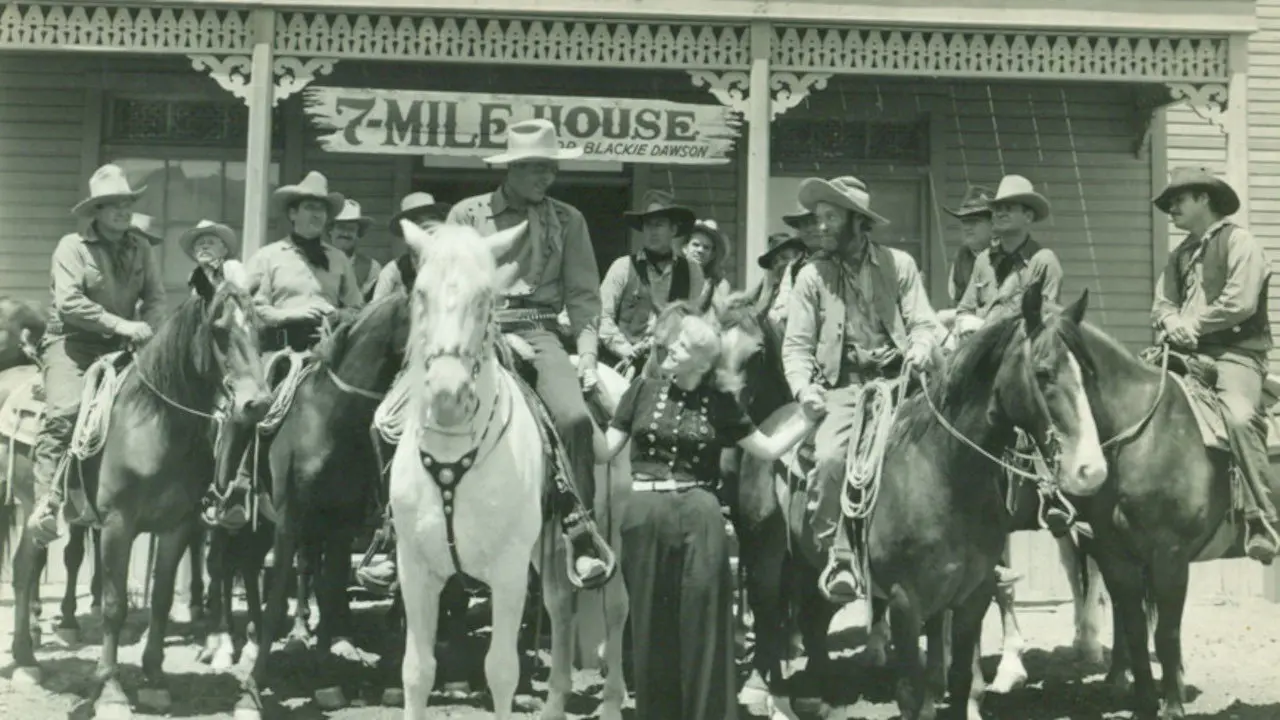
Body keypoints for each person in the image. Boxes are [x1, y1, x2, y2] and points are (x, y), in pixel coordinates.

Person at [595, 302, 813, 720]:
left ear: (698, 359)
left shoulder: (721, 402)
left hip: (700, 514)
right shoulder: (641, 391)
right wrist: (575, 418)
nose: (666, 350)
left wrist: (807, 419)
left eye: (677, 346)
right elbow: (606, 449)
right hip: (644, 512)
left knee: (701, 623)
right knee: (650, 624)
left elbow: (766, 449)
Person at [446, 118, 610, 586]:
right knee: (405, 412)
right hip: (471, 332)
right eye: (536, 168)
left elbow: (583, 295)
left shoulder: (568, 219)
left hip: (539, 332)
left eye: (551, 169)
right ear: (511, 168)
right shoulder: (467, 215)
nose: (546, 177)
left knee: (575, 420)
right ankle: (391, 527)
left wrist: (588, 356)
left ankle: (580, 531)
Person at [781, 175, 940, 602]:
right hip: (843, 388)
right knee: (832, 458)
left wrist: (923, 346)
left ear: (857, 221)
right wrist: (804, 390)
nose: (821, 226)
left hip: (902, 383)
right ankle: (839, 554)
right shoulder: (810, 276)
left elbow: (923, 321)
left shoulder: (898, 265)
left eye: (831, 217)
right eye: (818, 218)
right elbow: (795, 346)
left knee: (953, 447)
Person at [27, 164, 167, 546]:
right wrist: (122, 326)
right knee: (66, 413)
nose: (122, 211)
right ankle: (47, 503)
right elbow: (69, 303)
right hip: (72, 344)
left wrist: (151, 331)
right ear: (96, 212)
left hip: (123, 346)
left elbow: (154, 297)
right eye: (112, 205)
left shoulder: (140, 247)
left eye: (127, 203)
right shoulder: (72, 248)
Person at [1152, 167, 1278, 564]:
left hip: (1234, 355)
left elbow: (1240, 302)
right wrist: (1172, 322)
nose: (1171, 208)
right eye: (1170, 202)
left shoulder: (1240, 242)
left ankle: (1261, 519)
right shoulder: (1180, 254)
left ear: (1204, 198)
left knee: (1239, 418)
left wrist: (1193, 324)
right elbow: (1163, 303)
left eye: (1179, 200)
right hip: (1184, 354)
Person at [246, 171, 364, 353]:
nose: (318, 215)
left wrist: (337, 315)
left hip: (329, 353)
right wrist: (290, 314)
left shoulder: (338, 258)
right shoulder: (267, 257)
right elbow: (252, 309)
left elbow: (357, 309)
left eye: (322, 209)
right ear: (293, 213)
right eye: (310, 207)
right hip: (279, 352)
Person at [598, 189, 705, 370]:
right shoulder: (622, 267)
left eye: (659, 225)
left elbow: (695, 321)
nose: (652, 231)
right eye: (648, 225)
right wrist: (626, 351)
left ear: (673, 229)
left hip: (671, 364)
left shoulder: (692, 271)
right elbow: (602, 317)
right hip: (622, 363)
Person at [953, 175, 1063, 333]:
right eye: (997, 208)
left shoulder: (1043, 262)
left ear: (1028, 216)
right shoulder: (984, 260)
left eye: (1009, 208)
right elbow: (964, 310)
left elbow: (1045, 323)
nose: (1000, 213)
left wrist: (986, 328)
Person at [371, 191, 452, 302]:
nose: (425, 230)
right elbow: (376, 312)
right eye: (417, 224)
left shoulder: (453, 266)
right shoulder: (394, 270)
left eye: (431, 222)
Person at [329, 199, 382, 300]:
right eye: (341, 227)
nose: (345, 234)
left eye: (351, 229)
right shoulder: (315, 262)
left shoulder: (372, 267)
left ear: (358, 233)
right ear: (330, 230)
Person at [179, 220, 247, 297]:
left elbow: (244, 297)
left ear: (224, 250)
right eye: (200, 244)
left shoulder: (231, 267)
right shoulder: (194, 276)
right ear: (194, 253)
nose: (204, 247)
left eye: (211, 243)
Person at [683, 218, 732, 310]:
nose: (700, 250)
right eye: (695, 245)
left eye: (706, 247)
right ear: (685, 248)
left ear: (712, 255)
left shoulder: (719, 285)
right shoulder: (673, 277)